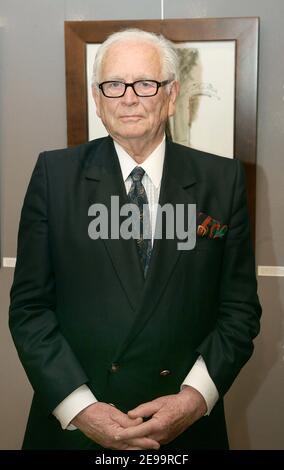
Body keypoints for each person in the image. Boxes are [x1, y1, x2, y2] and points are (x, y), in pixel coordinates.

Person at [9, 28, 261, 450]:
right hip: (76, 431)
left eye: (145, 83)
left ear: (171, 93)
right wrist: (80, 409)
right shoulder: (54, 176)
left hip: (184, 432)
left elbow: (239, 312)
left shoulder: (223, 180)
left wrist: (193, 399)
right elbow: (30, 310)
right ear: (97, 97)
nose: (128, 97)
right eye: (113, 85)